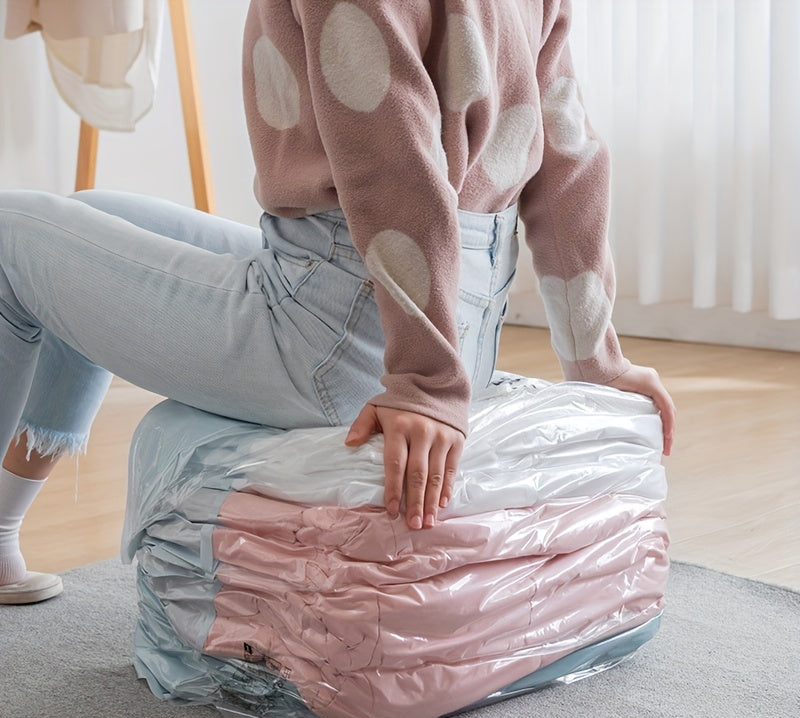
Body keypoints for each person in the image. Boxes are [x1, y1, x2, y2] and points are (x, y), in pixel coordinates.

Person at [0, 0, 676, 604]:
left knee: (8, 237)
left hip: (336, 335)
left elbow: (394, 164)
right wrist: (596, 359)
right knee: (85, 218)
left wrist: (424, 384)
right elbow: (569, 158)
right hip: (440, 322)